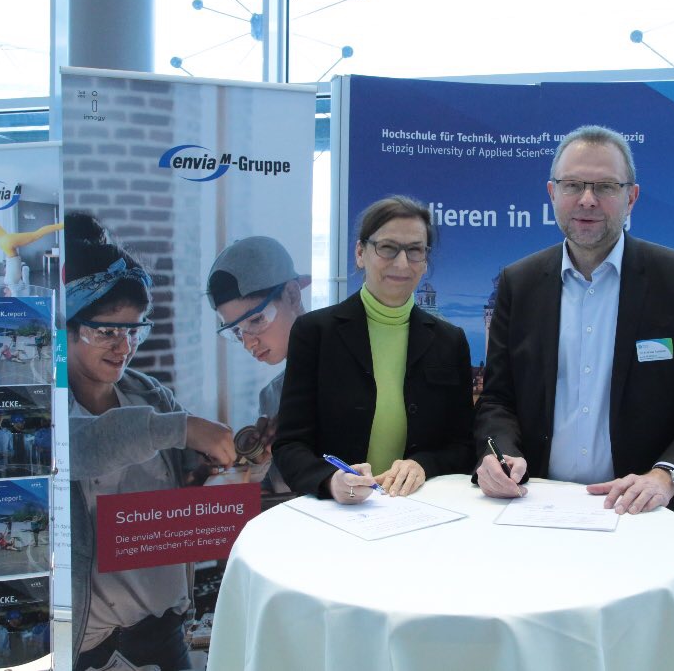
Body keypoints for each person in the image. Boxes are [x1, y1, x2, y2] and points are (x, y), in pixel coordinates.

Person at [474, 125, 674, 522]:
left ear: (631, 197)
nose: (587, 200)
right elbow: (497, 398)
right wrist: (498, 454)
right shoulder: (519, 282)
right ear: (552, 194)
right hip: (533, 504)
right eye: (573, 186)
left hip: (643, 510)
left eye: (605, 187)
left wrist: (665, 476)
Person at [65, 211, 236, 671]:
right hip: (94, 645)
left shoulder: (146, 393)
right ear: (66, 326)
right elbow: (80, 449)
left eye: (135, 328)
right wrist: (183, 427)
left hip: (165, 628)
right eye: (107, 331)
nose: (124, 346)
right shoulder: (49, 412)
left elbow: (171, 493)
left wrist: (210, 477)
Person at [274, 195, 474, 503]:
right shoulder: (314, 333)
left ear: (425, 261)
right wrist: (329, 480)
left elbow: (462, 445)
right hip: (339, 513)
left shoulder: (450, 341)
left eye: (415, 250)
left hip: (422, 509)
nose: (402, 263)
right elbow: (289, 445)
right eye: (388, 248)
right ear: (360, 253)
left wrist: (424, 465)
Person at [206, 236, 312, 493]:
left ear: (292, 294)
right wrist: (259, 463)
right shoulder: (273, 396)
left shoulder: (360, 367)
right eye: (237, 332)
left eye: (255, 320)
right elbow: (277, 492)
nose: (248, 343)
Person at [0, 217, 63, 285]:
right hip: (3, 240)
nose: (5, 293)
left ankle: (62, 225)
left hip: (7, 243)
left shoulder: (10, 281)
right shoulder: (10, 281)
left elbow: (14, 285)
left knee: (36, 234)